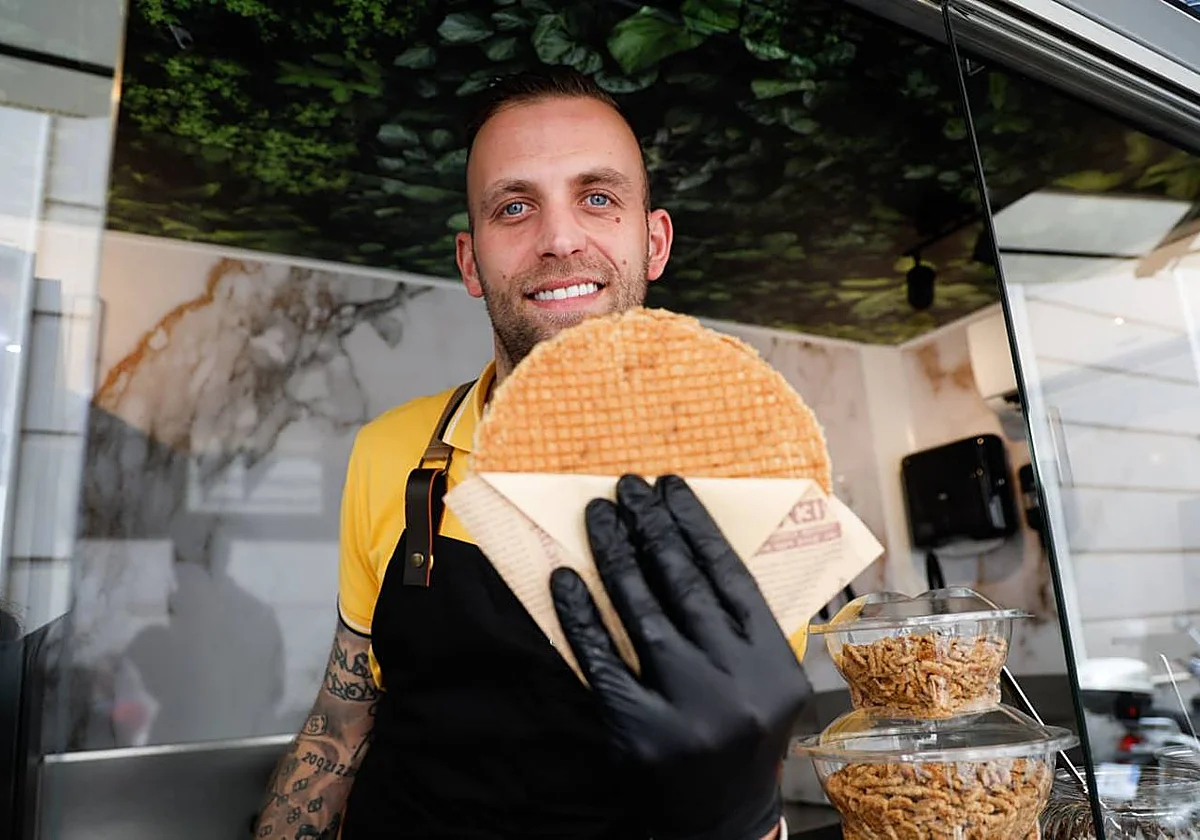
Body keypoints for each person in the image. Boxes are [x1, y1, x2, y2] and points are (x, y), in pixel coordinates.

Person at [253, 68, 806, 840]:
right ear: (471, 262)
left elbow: (749, 777)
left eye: (598, 197)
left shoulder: (755, 486)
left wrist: (746, 817)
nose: (558, 238)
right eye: (514, 207)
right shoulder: (393, 453)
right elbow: (342, 723)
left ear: (654, 243)